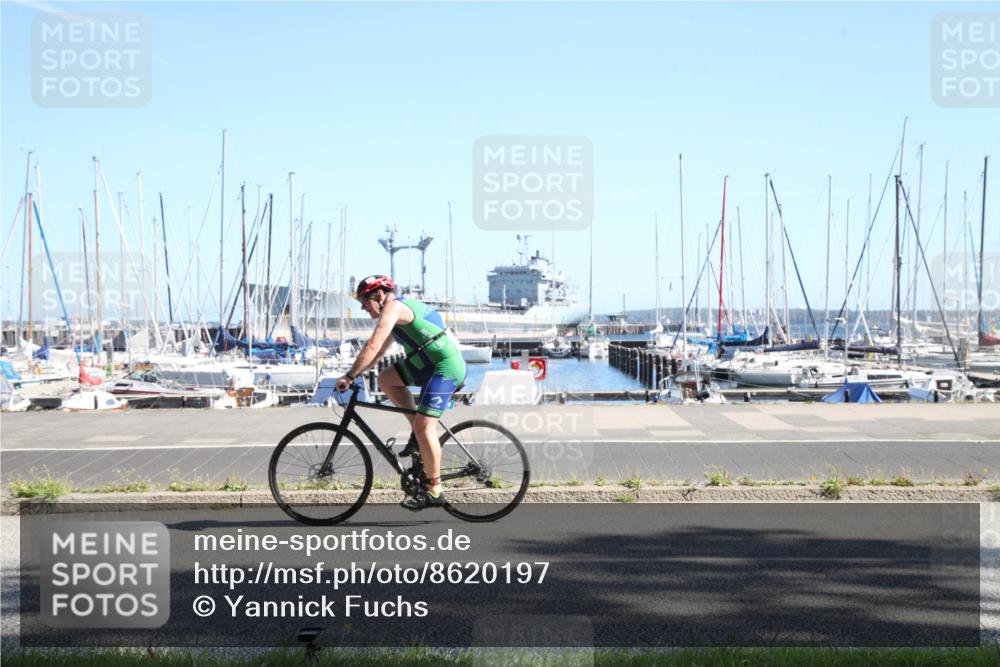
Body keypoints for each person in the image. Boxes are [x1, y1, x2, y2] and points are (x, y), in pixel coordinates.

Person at [335, 274, 467, 510]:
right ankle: (417, 432)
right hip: (426, 364)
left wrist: (349, 375)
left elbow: (373, 345)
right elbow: (378, 353)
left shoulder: (394, 307)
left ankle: (434, 491)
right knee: (386, 379)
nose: (363, 308)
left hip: (445, 367)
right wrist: (357, 373)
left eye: (364, 301)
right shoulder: (394, 314)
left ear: (379, 294)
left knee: (425, 427)